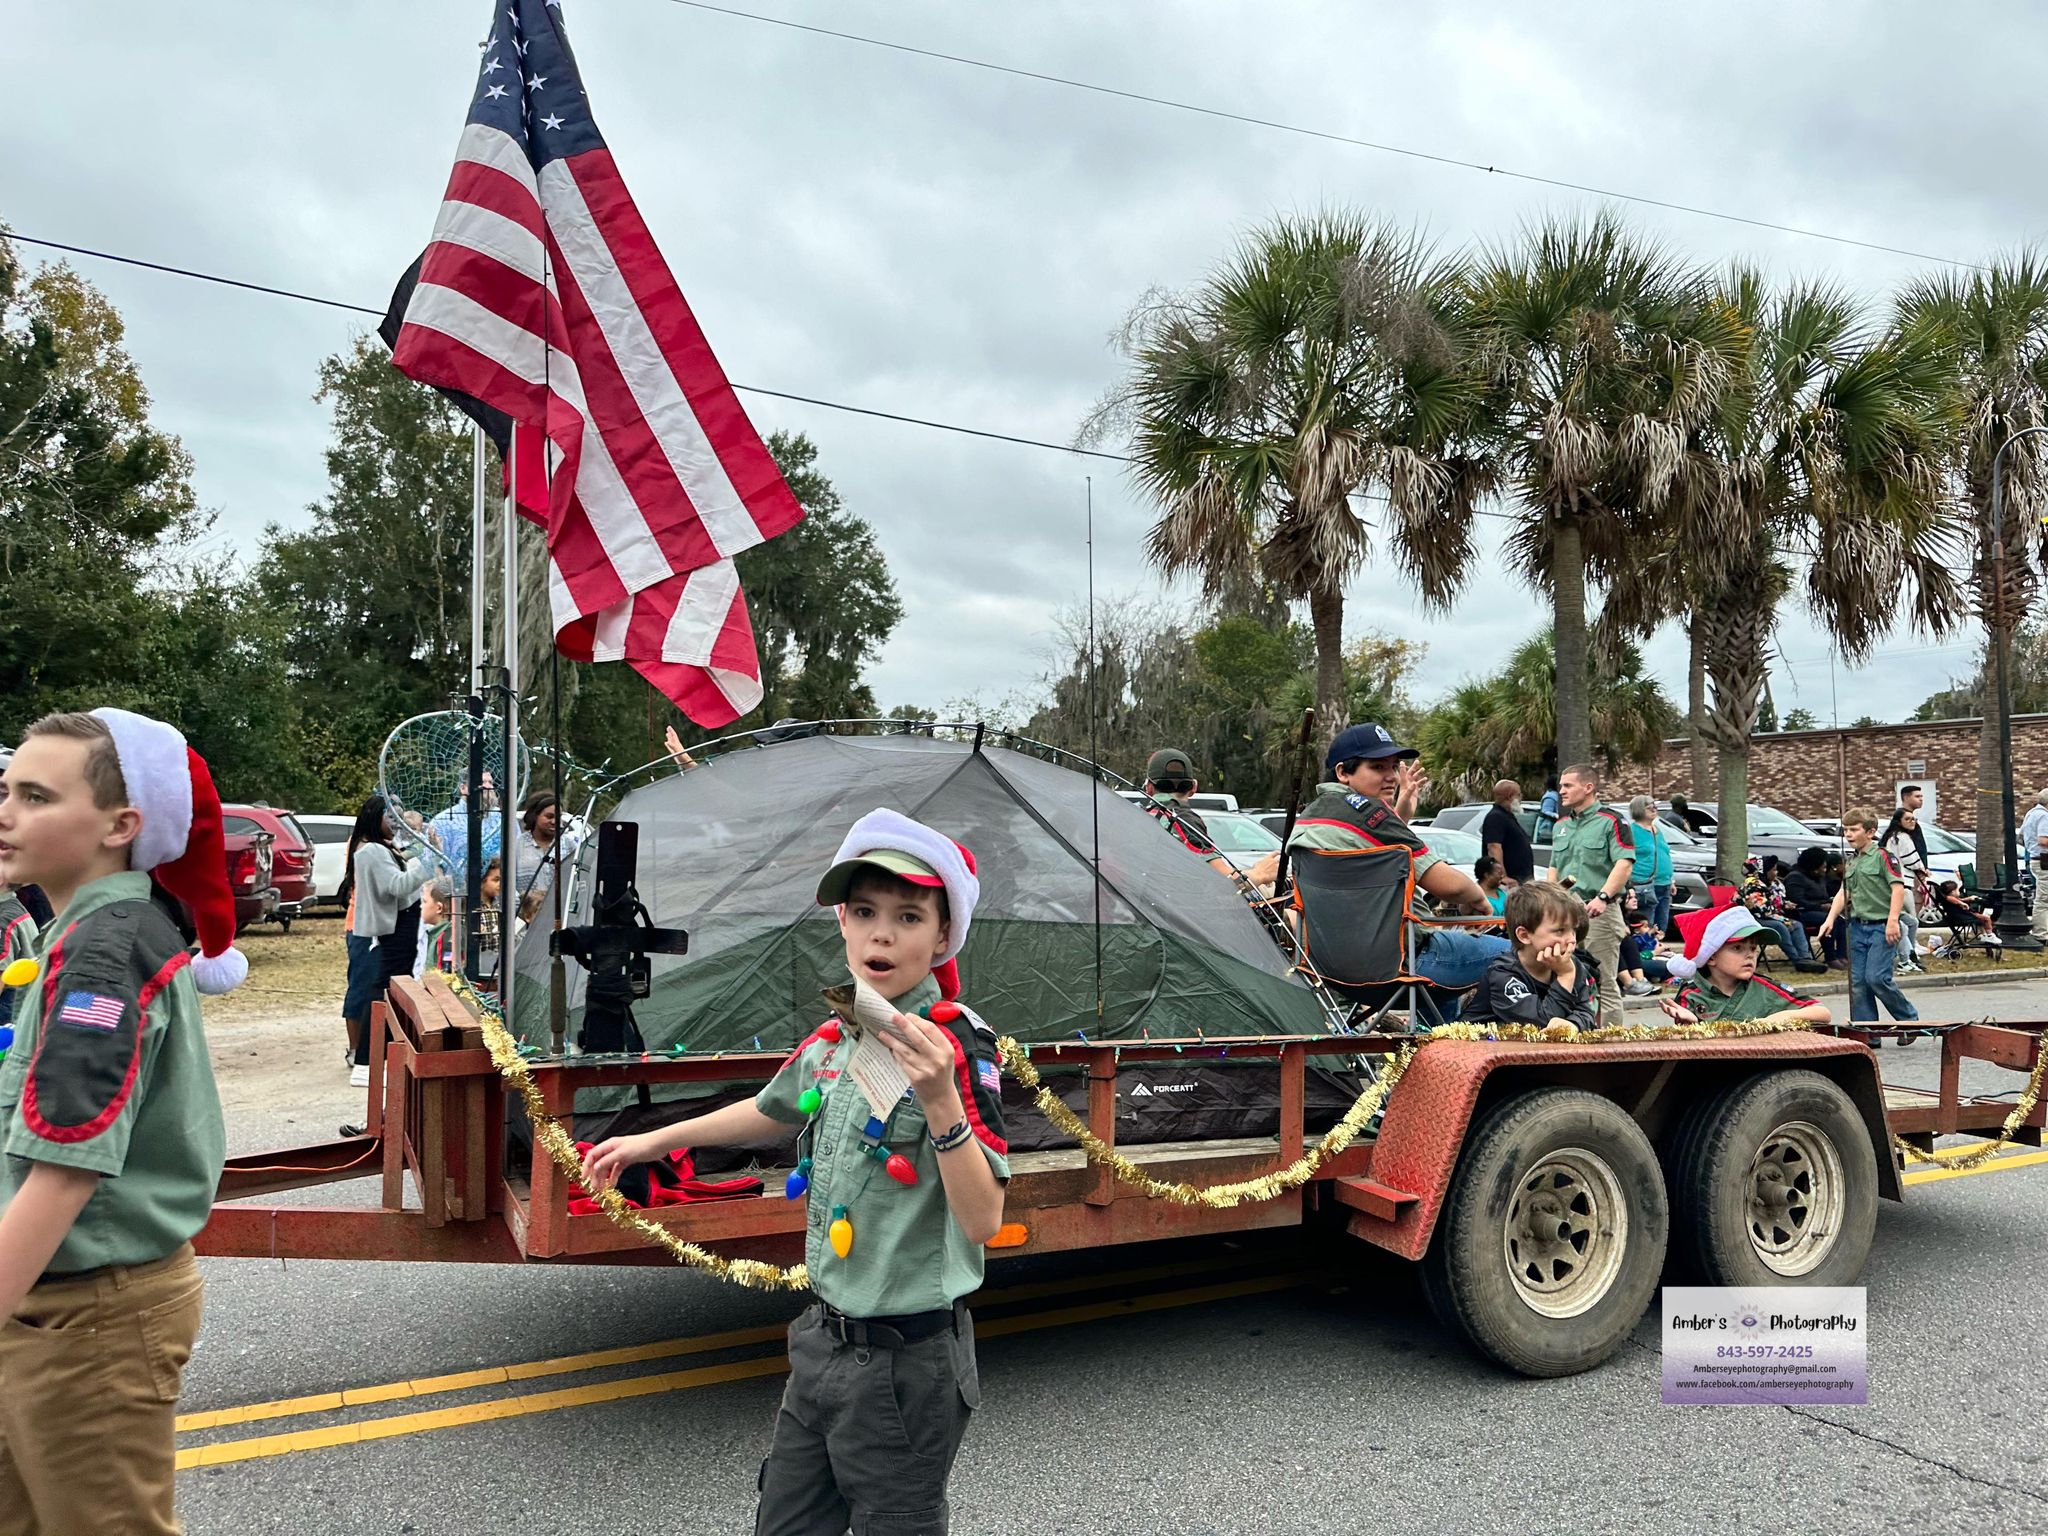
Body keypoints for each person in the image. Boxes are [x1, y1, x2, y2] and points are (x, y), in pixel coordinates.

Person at [581, 809, 1006, 1534]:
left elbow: (984, 1220)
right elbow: (773, 1110)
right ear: (840, 922)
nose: (881, 933)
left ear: (941, 938)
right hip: (821, 1341)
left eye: (908, 916)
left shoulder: (957, 1048)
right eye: (864, 911)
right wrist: (652, 1141)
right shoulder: (838, 1037)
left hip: (906, 1365)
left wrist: (940, 1101)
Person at [0, 708, 244, 1534]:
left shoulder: (103, 955)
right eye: (7, 790)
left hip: (85, 1316)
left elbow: (65, 1168)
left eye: (35, 796)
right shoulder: (75, 933)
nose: (6, 814)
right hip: (48, 1301)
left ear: (120, 824)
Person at [1289, 724, 1506, 1014]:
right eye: (1377, 767)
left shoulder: (1311, 816)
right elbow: (1450, 887)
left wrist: (1400, 814)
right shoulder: (1373, 816)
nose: (1390, 776)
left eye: (1393, 766)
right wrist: (1480, 901)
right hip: (1406, 962)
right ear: (1343, 772)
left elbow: (1372, 851)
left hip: (1335, 971)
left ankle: (1434, 1047)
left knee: (1443, 987)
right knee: (1522, 953)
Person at [341, 795, 433, 1089]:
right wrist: (427, 864)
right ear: (374, 816)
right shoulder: (371, 851)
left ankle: (382, 1054)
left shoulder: (382, 847)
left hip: (401, 928)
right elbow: (397, 886)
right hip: (394, 930)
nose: (397, 821)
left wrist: (422, 853)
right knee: (382, 992)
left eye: (399, 815)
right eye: (390, 815)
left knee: (391, 990)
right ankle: (367, 1060)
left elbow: (404, 871)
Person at [1545, 763, 1635, 1027]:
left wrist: (1603, 898)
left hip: (1599, 913)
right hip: (1564, 913)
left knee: (1605, 981)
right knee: (1563, 976)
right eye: (1561, 785)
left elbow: (1624, 863)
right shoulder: (1560, 825)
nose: (1561, 791)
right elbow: (1554, 866)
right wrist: (1550, 898)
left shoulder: (1611, 821)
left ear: (1588, 787)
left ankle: (1609, 1045)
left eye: (1567, 785)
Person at [1819, 807, 1919, 1027]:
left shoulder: (1883, 856)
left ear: (1871, 832)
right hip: (1857, 926)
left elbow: (1898, 889)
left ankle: (1909, 1021)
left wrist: (1893, 921)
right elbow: (1844, 893)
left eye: (1854, 829)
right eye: (1846, 830)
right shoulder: (1853, 861)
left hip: (1881, 927)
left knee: (1876, 978)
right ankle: (1867, 1030)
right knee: (1858, 983)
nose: (1849, 834)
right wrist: (1830, 919)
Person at [1661, 904, 1831, 1026]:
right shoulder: (1691, 994)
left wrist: (1774, 1020)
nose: (1750, 955)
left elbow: (1822, 1013)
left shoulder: (1764, 987)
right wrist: (1693, 1024)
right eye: (1737, 948)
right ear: (1711, 957)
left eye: (1753, 948)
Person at [1473, 881, 1597, 1029]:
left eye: (1573, 930)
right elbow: (1541, 1023)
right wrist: (1565, 976)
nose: (1572, 939)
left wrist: (1574, 1024)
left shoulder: (1571, 964)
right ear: (1524, 935)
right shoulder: (1503, 973)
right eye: (1560, 930)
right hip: (1476, 1047)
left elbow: (1586, 1013)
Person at [1138, 747, 1228, 871]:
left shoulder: (1135, 818)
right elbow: (1228, 880)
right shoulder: (1186, 821)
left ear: (1149, 787)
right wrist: (1260, 873)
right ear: (1193, 787)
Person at [1739, 856, 1827, 974]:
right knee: (1780, 926)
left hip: (1769, 916)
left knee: (1797, 925)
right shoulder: (1752, 886)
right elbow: (1762, 910)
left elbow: (1779, 902)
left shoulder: (1773, 884)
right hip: (1752, 919)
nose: (1777, 872)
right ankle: (1797, 960)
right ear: (1763, 871)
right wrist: (1783, 919)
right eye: (1774, 870)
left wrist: (1791, 905)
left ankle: (1806, 958)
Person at [426, 768, 502, 891]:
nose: (488, 787)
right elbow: (434, 867)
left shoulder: (502, 819)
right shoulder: (443, 821)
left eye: (490, 782)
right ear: (463, 788)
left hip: (498, 895)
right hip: (459, 896)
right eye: (482, 782)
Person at [511, 790, 581, 910]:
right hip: (525, 915)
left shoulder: (569, 844)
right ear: (535, 816)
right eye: (549, 817)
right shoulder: (516, 847)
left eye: (558, 817)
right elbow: (508, 886)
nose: (554, 822)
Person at [1880, 805, 1929, 973]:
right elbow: (1912, 860)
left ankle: (1909, 953)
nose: (1912, 822)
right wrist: (1922, 869)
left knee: (1909, 922)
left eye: (1913, 819)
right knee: (1908, 922)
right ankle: (1907, 956)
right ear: (1899, 822)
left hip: (1894, 883)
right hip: (1903, 884)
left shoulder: (1890, 838)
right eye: (1907, 819)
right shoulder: (1902, 838)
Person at [1784, 847, 1843, 968]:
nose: (1825, 869)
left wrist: (1832, 902)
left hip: (1818, 910)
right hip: (1801, 913)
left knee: (1842, 920)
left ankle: (1842, 955)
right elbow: (1797, 901)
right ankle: (1830, 957)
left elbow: (1822, 896)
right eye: (1823, 866)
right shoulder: (1795, 877)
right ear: (1814, 866)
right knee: (1829, 920)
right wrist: (1820, 906)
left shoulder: (1819, 878)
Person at [1626, 795, 1675, 938]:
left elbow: (1664, 853)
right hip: (1644, 886)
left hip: (1664, 884)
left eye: (1654, 805)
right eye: (1649, 806)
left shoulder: (1657, 830)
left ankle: (1656, 951)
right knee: (1646, 929)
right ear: (1638, 809)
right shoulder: (1632, 831)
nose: (1654, 808)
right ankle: (1645, 956)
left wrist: (1671, 879)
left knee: (1660, 929)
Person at [1480, 778, 1534, 886]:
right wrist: (1502, 877)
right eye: (1518, 795)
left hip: (1521, 880)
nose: (1520, 799)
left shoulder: (1506, 816)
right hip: (1510, 883)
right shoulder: (1496, 817)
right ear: (1510, 796)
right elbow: (1494, 847)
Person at [413, 877, 456, 980]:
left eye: (424, 901)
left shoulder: (446, 937)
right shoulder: (434, 933)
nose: (421, 906)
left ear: (439, 908)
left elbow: (442, 979)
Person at [2021, 788, 2048, 938]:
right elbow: (2043, 840)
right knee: (2043, 900)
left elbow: (2022, 837)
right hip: (2044, 860)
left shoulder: (2031, 814)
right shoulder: (2044, 816)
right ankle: (2041, 934)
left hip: (2035, 859)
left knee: (2043, 897)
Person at [1532, 776, 1561, 842]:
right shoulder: (1550, 796)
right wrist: (1556, 815)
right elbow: (1546, 812)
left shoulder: (1557, 795)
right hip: (1546, 832)